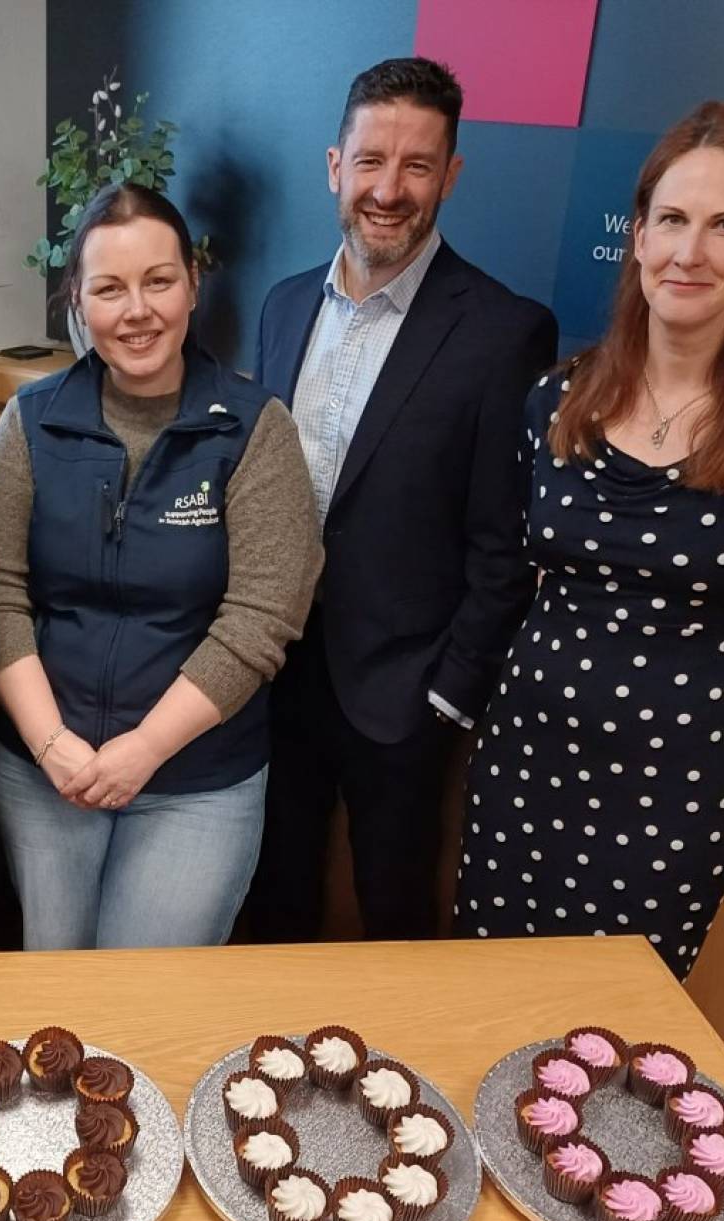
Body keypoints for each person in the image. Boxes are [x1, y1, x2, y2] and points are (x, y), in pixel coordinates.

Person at [454, 102, 724, 980]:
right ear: (639, 234)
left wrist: (708, 735)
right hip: (523, 761)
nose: (689, 252)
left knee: (613, 1031)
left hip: (673, 797)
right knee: (486, 999)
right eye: (673, 220)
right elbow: (519, 574)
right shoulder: (558, 399)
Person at [248, 58, 557, 943]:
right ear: (334, 166)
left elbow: (506, 544)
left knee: (395, 918)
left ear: (450, 176)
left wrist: (447, 698)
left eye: (417, 165)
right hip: (270, 672)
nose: (389, 190)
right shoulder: (280, 307)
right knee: (271, 905)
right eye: (371, 160)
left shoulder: (503, 331)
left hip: (401, 698)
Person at [0, 183, 322, 951]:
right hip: (48, 770)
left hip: (196, 779)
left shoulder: (254, 430)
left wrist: (143, 750)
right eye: (109, 288)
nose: (136, 311)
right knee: (54, 986)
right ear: (77, 299)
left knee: (144, 997)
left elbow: (261, 619)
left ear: (193, 285)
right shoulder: (30, 423)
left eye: (158, 281)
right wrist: (52, 745)